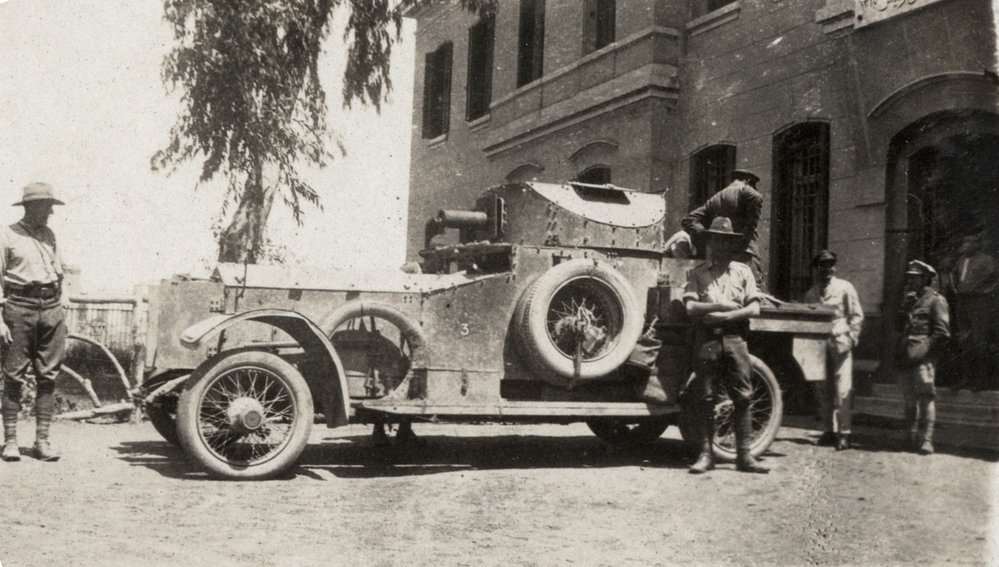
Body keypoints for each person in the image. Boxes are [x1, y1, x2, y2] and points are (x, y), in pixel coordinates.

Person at [683, 216, 768, 474]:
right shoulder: (697, 274)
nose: (721, 245)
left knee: (743, 396)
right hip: (708, 341)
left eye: (726, 241)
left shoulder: (743, 273)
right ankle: (706, 455)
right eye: (716, 240)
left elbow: (754, 308)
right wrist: (719, 306)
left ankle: (745, 456)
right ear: (709, 242)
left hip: (735, 339)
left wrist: (728, 316)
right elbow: (690, 307)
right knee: (706, 397)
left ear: (732, 245)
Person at [0, 182, 67, 462]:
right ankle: (11, 442)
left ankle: (42, 441)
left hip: (51, 307)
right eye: (46, 206)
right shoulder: (7, 235)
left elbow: (58, 271)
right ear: (31, 207)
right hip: (19, 307)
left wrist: (61, 306)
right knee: (13, 375)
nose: (51, 211)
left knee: (48, 376)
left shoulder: (49, 235)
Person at [804, 250, 863, 450]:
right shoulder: (811, 293)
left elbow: (856, 315)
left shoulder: (845, 288)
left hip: (841, 343)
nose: (827, 269)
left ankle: (844, 433)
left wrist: (852, 337)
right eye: (822, 266)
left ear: (834, 267)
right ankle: (828, 430)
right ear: (817, 269)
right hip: (819, 346)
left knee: (843, 388)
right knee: (823, 390)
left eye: (830, 265)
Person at [896, 260, 950, 455]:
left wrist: (925, 350)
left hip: (924, 357)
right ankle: (910, 436)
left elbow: (942, 332)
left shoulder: (936, 300)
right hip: (905, 354)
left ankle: (927, 440)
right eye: (909, 277)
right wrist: (904, 307)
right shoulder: (908, 299)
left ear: (926, 279)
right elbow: (897, 327)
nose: (911, 281)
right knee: (909, 399)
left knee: (926, 397)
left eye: (915, 278)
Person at [681, 169, 765, 287]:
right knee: (752, 290)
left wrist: (708, 237)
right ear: (748, 180)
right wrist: (740, 241)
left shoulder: (717, 197)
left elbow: (689, 219)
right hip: (746, 254)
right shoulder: (748, 191)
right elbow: (756, 197)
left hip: (723, 256)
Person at [950, 233, 998, 391]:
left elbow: (996, 279)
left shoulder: (987, 261)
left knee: (979, 341)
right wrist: (956, 289)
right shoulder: (962, 260)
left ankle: (981, 380)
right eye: (964, 242)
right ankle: (966, 378)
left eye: (969, 243)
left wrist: (985, 292)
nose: (965, 245)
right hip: (962, 302)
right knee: (964, 340)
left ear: (977, 245)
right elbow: (954, 276)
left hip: (978, 303)